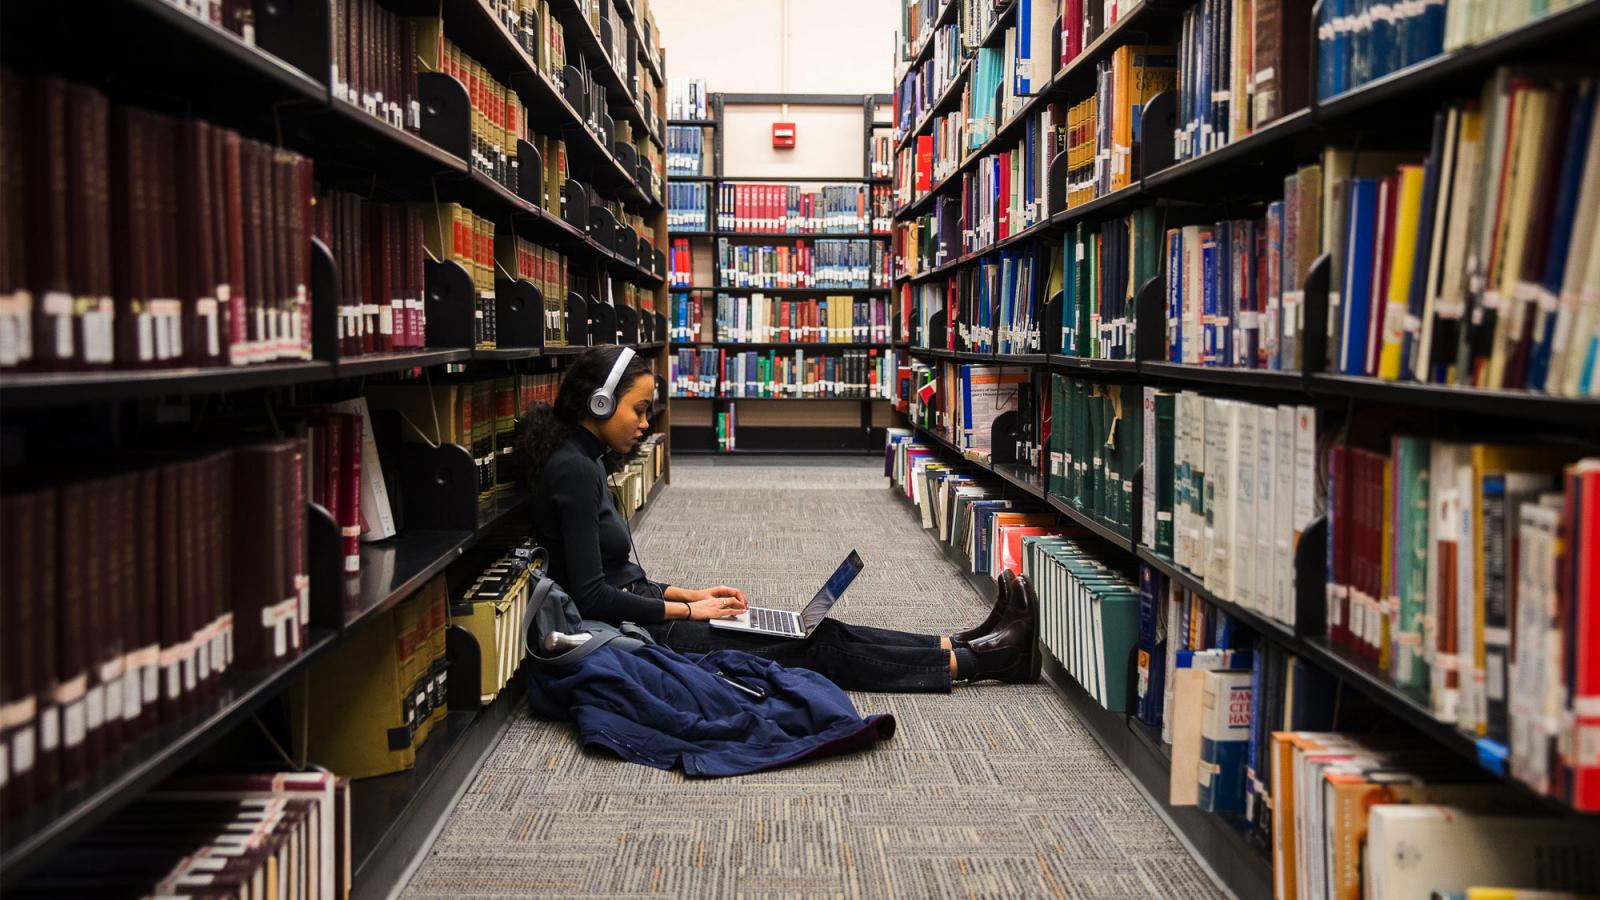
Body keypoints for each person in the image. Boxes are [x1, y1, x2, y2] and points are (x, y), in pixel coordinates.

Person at [514, 344, 1038, 694]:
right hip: (649, 637)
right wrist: (689, 615)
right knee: (816, 646)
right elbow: (592, 597)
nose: (647, 423)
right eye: (639, 410)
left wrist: (691, 595)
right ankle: (983, 662)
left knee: (813, 629)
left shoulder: (582, 459)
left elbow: (615, 577)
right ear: (599, 403)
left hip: (656, 616)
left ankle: (963, 642)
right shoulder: (574, 473)